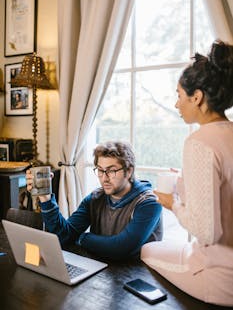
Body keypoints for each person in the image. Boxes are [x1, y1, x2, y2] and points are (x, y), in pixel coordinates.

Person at [141, 40, 233, 306]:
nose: (176, 104)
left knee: (146, 251)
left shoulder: (199, 142)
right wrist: (185, 181)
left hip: (220, 279)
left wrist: (173, 204)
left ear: (197, 97)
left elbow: (207, 232)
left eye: (180, 95)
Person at [26, 141, 162, 260]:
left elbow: (121, 248)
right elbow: (63, 236)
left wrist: (81, 238)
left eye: (111, 171)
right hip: (101, 271)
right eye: (100, 170)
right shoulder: (95, 198)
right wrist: (46, 198)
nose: (104, 178)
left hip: (138, 278)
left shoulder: (149, 203)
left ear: (129, 171)